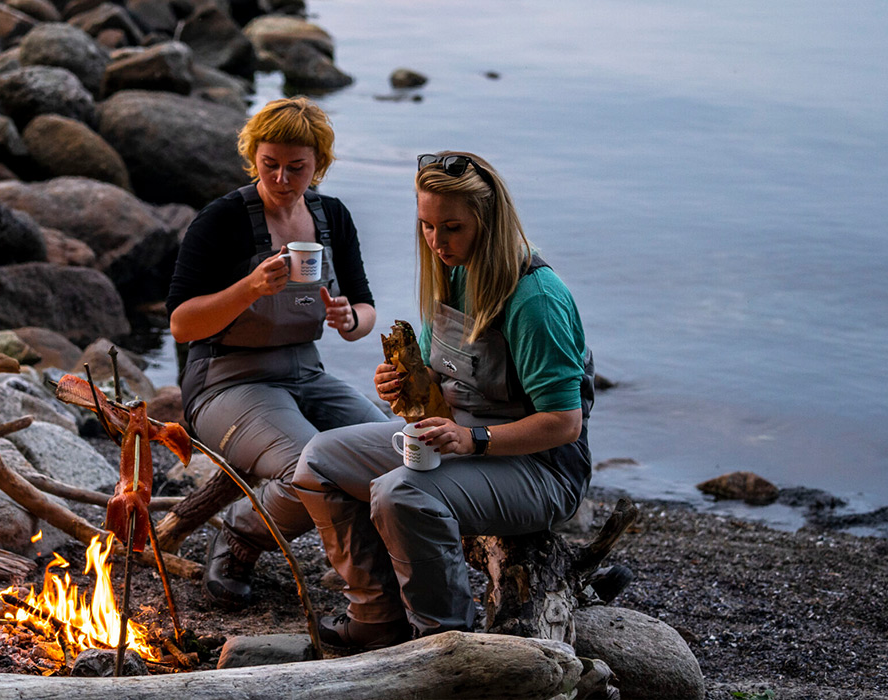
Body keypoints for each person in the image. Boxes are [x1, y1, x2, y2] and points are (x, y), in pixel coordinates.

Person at [292, 151, 595, 648]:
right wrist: (402, 381)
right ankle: (376, 617)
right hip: (459, 437)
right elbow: (441, 370)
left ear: (489, 221)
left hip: (541, 466)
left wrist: (472, 439)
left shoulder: (534, 299)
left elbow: (564, 423)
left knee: (401, 493)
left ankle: (445, 638)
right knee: (318, 460)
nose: (437, 242)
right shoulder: (452, 271)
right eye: (427, 226)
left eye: (452, 228)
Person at [166, 97, 387, 610]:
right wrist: (249, 288)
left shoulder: (332, 217)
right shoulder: (222, 219)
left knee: (392, 449)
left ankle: (383, 557)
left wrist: (350, 320)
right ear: (253, 157)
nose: (282, 178)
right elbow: (181, 324)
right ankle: (241, 537)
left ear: (319, 164)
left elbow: (365, 307)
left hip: (306, 373)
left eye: (297, 167)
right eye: (270, 164)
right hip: (225, 381)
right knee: (312, 466)